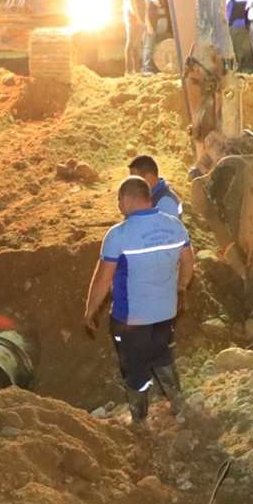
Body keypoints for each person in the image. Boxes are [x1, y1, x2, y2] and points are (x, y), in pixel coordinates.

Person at [82, 177, 194, 425]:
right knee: (162, 355)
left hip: (131, 320)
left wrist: (90, 310)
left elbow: (102, 279)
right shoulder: (175, 227)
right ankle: (179, 406)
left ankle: (140, 420)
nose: (118, 205)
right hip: (166, 313)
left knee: (134, 368)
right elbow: (188, 263)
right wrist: (180, 288)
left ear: (128, 199)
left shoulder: (118, 235)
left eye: (119, 199)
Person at [122, 0, 154, 75]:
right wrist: (138, 19)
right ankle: (130, 71)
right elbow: (132, 3)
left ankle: (135, 70)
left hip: (134, 18)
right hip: (133, 19)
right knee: (131, 44)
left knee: (135, 45)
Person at [222, 0, 253, 70]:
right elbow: (249, 5)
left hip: (230, 23)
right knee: (239, 47)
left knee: (229, 47)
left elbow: (224, 6)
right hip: (242, 22)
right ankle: (240, 67)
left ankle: (231, 70)